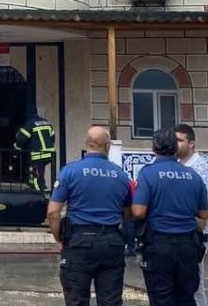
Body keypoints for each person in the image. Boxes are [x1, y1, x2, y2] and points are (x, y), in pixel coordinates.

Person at [47, 126, 132, 306]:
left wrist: (59, 237)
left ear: (87, 144)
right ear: (108, 146)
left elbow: (53, 212)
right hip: (111, 243)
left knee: (76, 300)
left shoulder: (70, 171)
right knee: (111, 301)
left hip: (78, 243)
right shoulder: (122, 175)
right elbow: (128, 214)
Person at [132, 128, 208, 306]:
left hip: (159, 246)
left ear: (154, 148)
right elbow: (204, 213)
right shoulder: (193, 175)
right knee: (186, 297)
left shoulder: (148, 173)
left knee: (162, 298)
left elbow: (138, 212)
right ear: (176, 149)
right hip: (188, 247)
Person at [175, 123, 208, 306]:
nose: (176, 144)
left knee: (195, 285)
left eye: (180, 140)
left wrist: (196, 232)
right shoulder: (176, 164)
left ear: (191, 143)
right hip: (181, 235)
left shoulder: (200, 167)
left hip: (195, 235)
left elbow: (205, 207)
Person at [14, 107, 56, 191]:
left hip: (37, 153)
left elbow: (21, 138)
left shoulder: (30, 123)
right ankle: (32, 185)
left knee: (36, 175)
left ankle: (39, 191)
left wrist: (17, 148)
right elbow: (53, 137)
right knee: (37, 170)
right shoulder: (46, 122)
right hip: (49, 152)